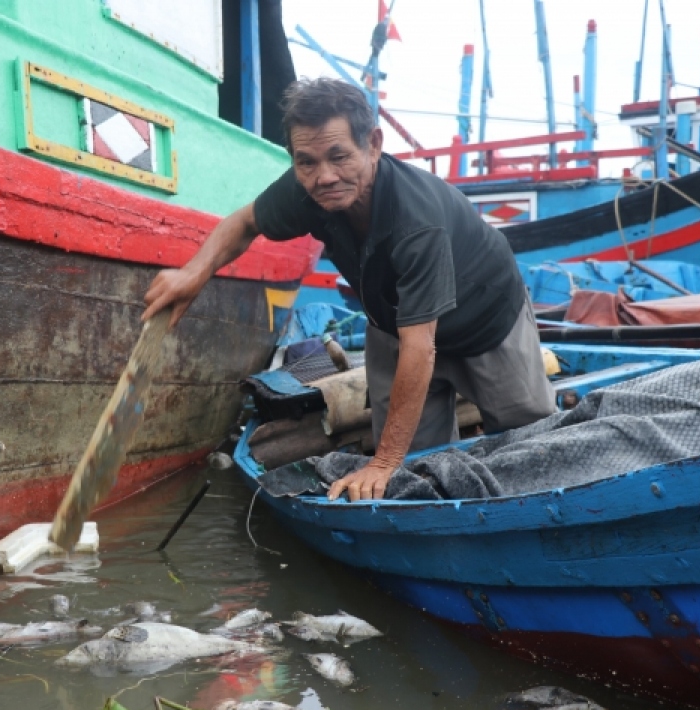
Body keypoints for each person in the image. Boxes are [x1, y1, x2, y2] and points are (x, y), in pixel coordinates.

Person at [143, 77, 556, 502]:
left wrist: (381, 461)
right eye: (307, 162)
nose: (325, 176)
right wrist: (193, 273)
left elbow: (422, 349)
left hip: (486, 321)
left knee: (534, 447)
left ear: (373, 144)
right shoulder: (308, 189)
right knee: (416, 468)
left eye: (339, 156)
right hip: (397, 323)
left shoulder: (416, 219)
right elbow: (244, 222)